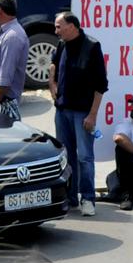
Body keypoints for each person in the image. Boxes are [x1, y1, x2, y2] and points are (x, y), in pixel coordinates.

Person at [49, 12, 107, 217]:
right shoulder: (62, 44)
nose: (55, 31)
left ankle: (88, 199)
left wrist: (92, 115)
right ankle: (70, 198)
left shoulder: (92, 47)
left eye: (59, 26)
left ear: (72, 26)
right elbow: (53, 65)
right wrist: (52, 84)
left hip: (83, 113)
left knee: (84, 156)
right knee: (66, 156)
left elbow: (101, 86)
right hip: (62, 111)